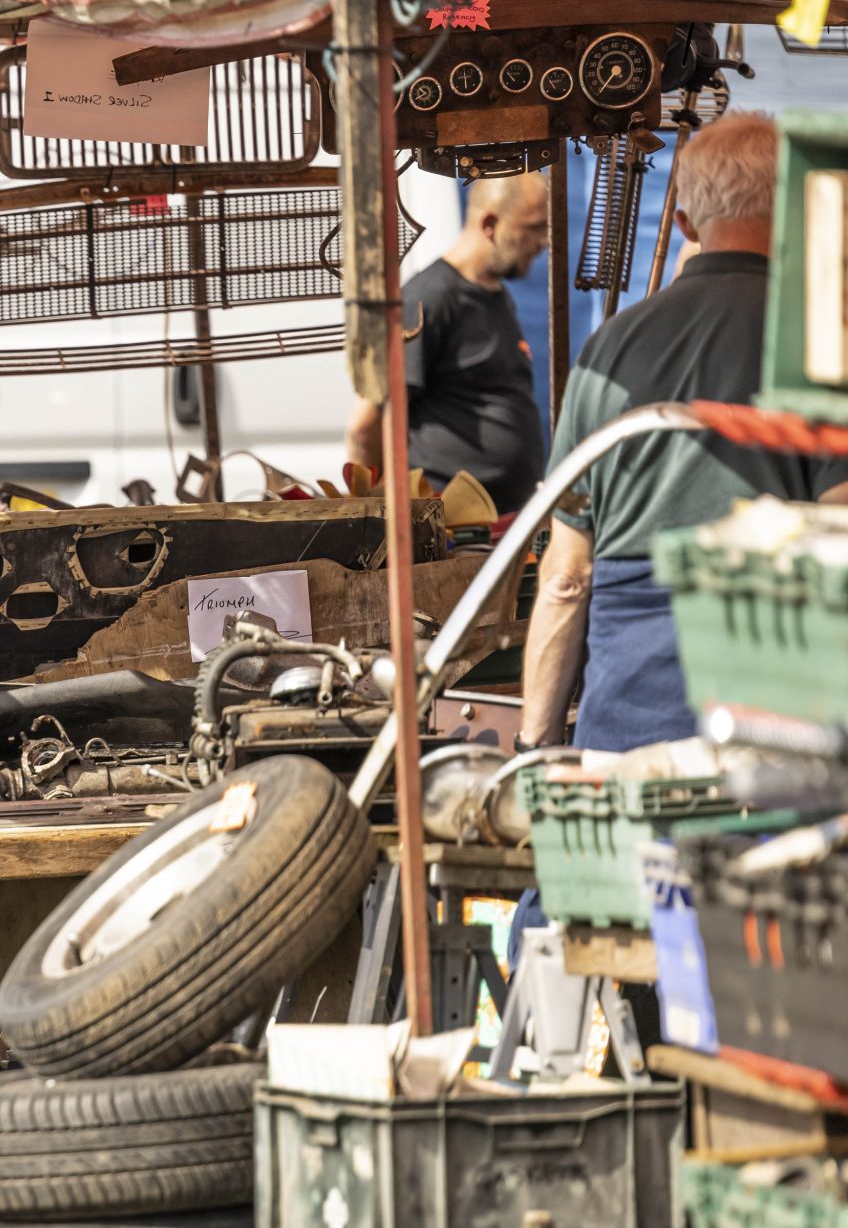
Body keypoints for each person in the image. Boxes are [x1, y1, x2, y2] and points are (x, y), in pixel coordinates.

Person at [521, 112, 848, 752]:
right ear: (798, 209)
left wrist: (532, 744)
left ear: (685, 225)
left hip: (630, 721)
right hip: (780, 722)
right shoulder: (820, 345)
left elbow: (565, 577)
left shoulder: (605, 351)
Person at [346, 172, 552, 516]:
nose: (544, 242)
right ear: (490, 224)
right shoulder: (429, 299)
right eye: (533, 227)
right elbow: (364, 427)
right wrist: (374, 521)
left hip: (503, 520)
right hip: (450, 529)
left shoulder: (495, 293)